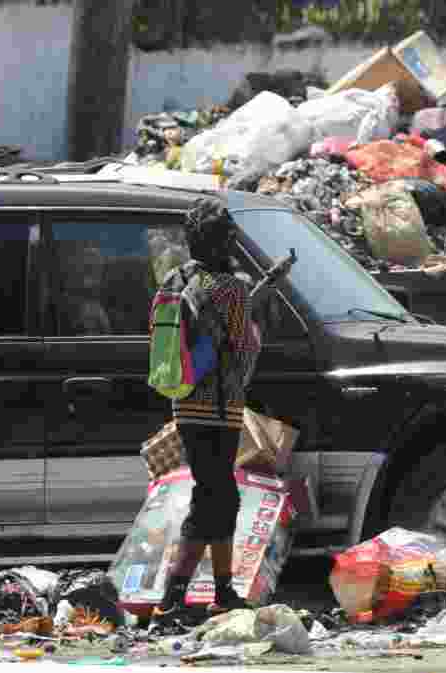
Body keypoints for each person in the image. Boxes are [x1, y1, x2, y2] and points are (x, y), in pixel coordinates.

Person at [151, 198, 267, 618]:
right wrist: (255, 319)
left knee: (223, 495)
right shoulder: (233, 289)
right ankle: (173, 595)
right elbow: (246, 353)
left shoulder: (173, 280)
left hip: (183, 403)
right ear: (226, 241)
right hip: (220, 408)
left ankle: (222, 591)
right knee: (213, 497)